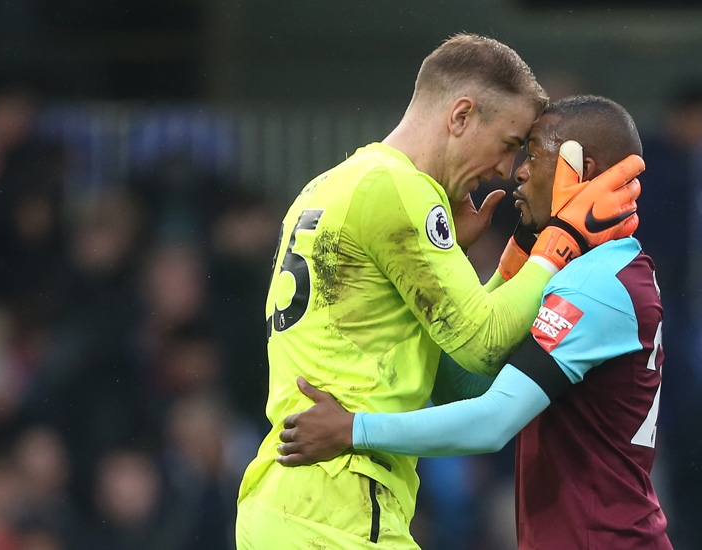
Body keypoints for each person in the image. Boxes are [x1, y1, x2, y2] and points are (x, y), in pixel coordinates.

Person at [235, 36, 644, 550]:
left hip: (284, 497)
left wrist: (505, 265)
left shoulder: (329, 185)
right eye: (507, 142)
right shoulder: (402, 190)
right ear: (461, 116)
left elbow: (460, 382)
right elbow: (484, 344)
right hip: (341, 495)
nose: (506, 168)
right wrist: (556, 246)